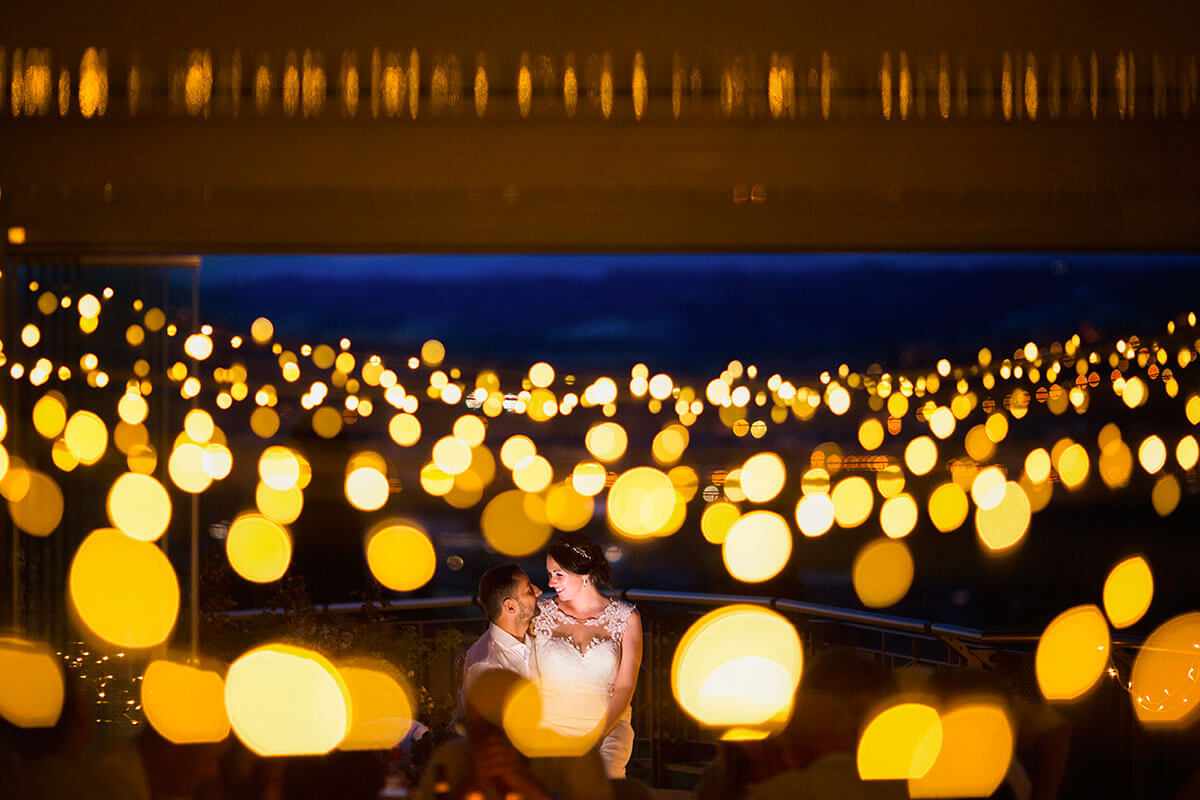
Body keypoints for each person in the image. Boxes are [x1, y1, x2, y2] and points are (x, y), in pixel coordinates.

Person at [534, 533, 642, 779]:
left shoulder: (626, 618)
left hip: (609, 725)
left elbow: (625, 686)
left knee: (604, 777)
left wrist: (597, 734)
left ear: (584, 574)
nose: (551, 583)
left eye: (558, 574)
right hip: (553, 726)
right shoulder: (540, 614)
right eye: (550, 574)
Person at [459, 563, 543, 718]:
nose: (539, 592)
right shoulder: (487, 666)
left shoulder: (532, 636)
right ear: (510, 607)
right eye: (529, 590)